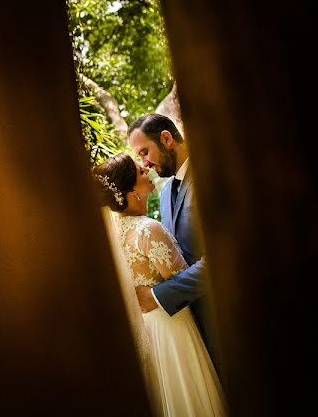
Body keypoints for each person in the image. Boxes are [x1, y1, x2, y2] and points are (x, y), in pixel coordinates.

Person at [93, 153, 226, 417]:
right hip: (172, 325)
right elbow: (183, 277)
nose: (146, 168)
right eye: (140, 172)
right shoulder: (147, 229)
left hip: (149, 330)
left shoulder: (115, 232)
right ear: (131, 191)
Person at [126, 113, 219, 370]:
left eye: (145, 152)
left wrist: (156, 296)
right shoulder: (166, 192)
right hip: (199, 329)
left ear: (166, 139)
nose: (144, 164)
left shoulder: (211, 172)